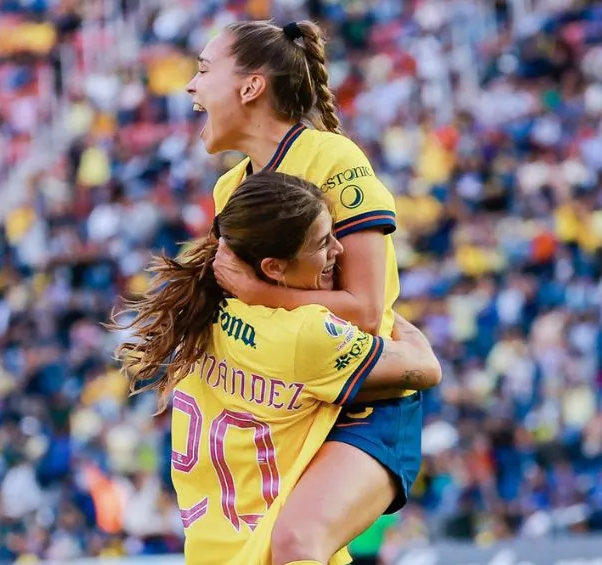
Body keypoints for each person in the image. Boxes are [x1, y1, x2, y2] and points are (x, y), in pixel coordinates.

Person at [110, 172, 441, 565]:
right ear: (273, 268)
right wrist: (376, 307)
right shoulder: (306, 334)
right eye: (322, 243)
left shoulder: (207, 309)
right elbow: (425, 367)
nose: (338, 249)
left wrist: (263, 294)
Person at [186, 19, 419, 565]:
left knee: (295, 544)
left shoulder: (334, 161)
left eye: (202, 70)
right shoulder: (230, 188)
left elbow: (362, 311)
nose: (191, 87)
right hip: (292, 405)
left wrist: (268, 297)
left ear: (250, 87)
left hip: (366, 399)